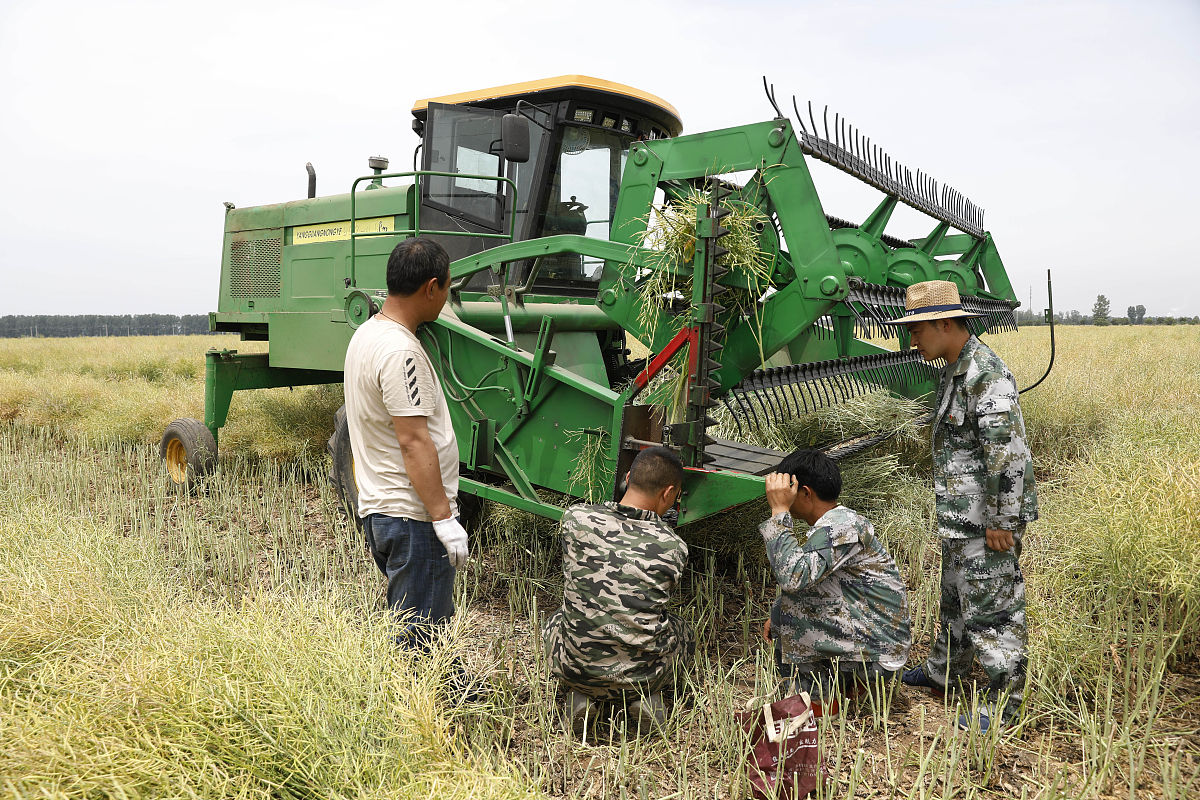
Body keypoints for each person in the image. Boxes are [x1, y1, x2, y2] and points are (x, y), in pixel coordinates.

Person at [884, 279, 1038, 732]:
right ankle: (944, 673)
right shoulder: (955, 369)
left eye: (917, 330)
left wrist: (1001, 520)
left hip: (985, 522)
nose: (912, 341)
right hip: (961, 518)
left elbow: (1007, 452)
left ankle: (1006, 704)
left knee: (992, 610)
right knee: (954, 598)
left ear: (946, 323)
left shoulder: (984, 374)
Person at [343, 237, 467, 650]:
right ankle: (417, 709)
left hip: (383, 508)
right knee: (420, 640)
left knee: (422, 623)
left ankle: (453, 689)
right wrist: (444, 519)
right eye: (447, 288)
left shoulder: (367, 333)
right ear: (431, 287)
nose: (446, 298)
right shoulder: (401, 353)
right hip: (412, 518)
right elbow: (414, 442)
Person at [542, 446, 694, 735]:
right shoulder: (673, 546)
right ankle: (645, 699)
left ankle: (582, 695)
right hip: (641, 675)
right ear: (668, 493)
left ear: (627, 478)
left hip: (574, 667)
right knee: (683, 632)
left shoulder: (575, 519)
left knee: (556, 619)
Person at [760, 448, 912, 705]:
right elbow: (811, 577)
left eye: (790, 493)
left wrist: (778, 513)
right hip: (871, 643)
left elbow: (793, 577)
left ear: (806, 493)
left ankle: (821, 698)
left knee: (791, 620)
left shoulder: (842, 526)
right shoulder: (836, 524)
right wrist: (778, 613)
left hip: (876, 656)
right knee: (786, 616)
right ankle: (827, 691)